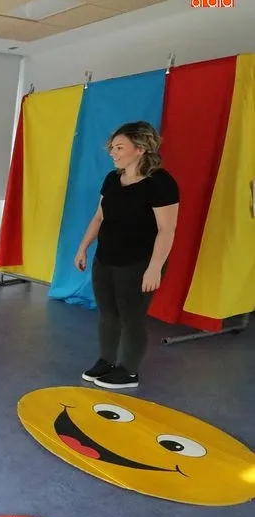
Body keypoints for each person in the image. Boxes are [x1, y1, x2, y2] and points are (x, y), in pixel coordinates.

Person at [75, 121, 179, 389]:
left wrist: (155, 267)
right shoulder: (112, 179)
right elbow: (99, 217)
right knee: (108, 314)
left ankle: (129, 371)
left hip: (138, 263)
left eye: (119, 147)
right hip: (106, 258)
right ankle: (106, 361)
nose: (113, 152)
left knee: (132, 317)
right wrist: (83, 247)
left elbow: (167, 229)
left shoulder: (161, 183)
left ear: (140, 149)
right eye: (112, 147)